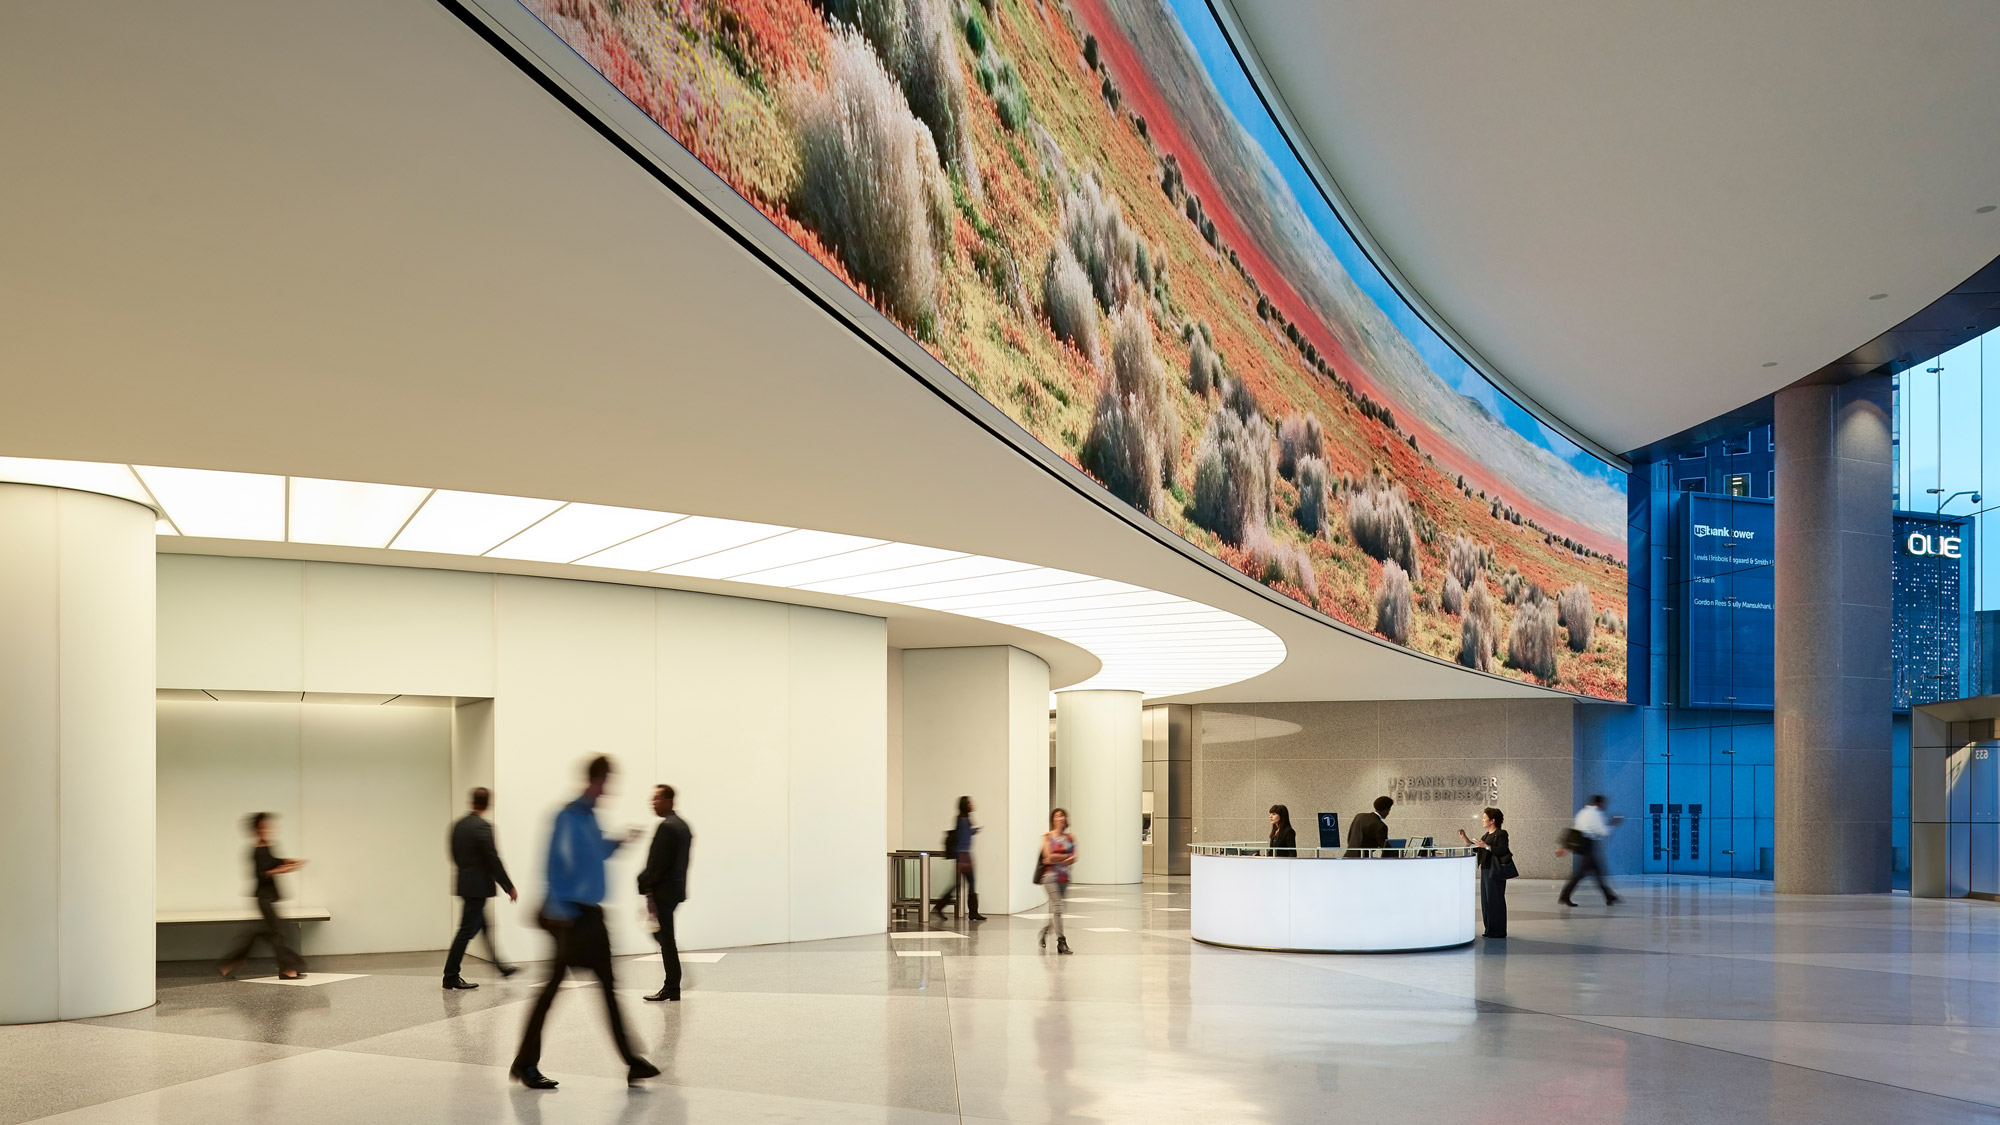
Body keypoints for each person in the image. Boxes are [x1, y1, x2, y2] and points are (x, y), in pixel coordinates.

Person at [510, 756, 659, 1091]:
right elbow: (554, 864)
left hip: (591, 915)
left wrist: (618, 841)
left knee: (596, 988)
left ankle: (630, 1061)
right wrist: (559, 910)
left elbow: (593, 855)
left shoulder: (590, 817)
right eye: (607, 781)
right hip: (573, 918)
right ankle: (527, 1063)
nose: (610, 788)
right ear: (597, 780)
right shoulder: (568, 816)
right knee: (572, 991)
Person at [443, 787, 518, 990]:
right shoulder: (483, 827)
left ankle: (501, 967)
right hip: (478, 887)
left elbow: (454, 854)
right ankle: (450, 975)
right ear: (487, 804)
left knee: (485, 927)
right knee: (466, 931)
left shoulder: (458, 826)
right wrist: (508, 886)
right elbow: (492, 859)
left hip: (466, 884)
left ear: (472, 801)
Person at [218, 812, 307, 981]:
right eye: (264, 827)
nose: (268, 829)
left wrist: (289, 861)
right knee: (277, 934)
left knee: (264, 933)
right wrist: (284, 869)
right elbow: (261, 873)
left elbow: (273, 860)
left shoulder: (266, 847)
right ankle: (287, 969)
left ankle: (229, 963)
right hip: (264, 899)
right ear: (257, 830)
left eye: (269, 826)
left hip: (269, 898)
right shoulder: (255, 851)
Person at [637, 783, 693, 1002]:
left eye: (657, 798)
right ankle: (673, 984)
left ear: (669, 801)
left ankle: (672, 986)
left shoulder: (666, 827)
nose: (653, 802)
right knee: (663, 936)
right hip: (675, 890)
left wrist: (644, 884)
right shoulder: (683, 826)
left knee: (665, 939)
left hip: (663, 892)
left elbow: (657, 865)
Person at [1558, 794, 1623, 907]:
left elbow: (1577, 829)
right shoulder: (1595, 814)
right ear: (1599, 803)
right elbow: (1603, 831)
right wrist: (1613, 823)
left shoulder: (1583, 812)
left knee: (1596, 872)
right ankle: (1565, 895)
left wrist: (1566, 846)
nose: (1605, 806)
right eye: (1603, 803)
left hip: (1583, 844)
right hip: (1589, 845)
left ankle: (1609, 896)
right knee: (1582, 874)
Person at [1458, 807, 1513, 939]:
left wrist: (1486, 847)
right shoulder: (1486, 835)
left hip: (1495, 871)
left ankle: (1498, 930)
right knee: (1486, 901)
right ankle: (1489, 929)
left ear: (1492, 820)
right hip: (1486, 870)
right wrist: (1465, 838)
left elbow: (1502, 850)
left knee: (1496, 900)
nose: (1482, 820)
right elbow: (1478, 848)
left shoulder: (1501, 833)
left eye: (1484, 818)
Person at [930, 796, 985, 921]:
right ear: (965, 805)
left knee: (959, 884)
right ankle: (972, 912)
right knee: (968, 884)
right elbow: (962, 840)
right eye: (970, 803)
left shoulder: (962, 819)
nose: (972, 804)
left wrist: (973, 831)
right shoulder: (964, 820)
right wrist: (962, 860)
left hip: (963, 855)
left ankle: (940, 906)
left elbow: (963, 835)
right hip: (964, 856)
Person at [1038, 808, 1077, 955]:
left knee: (1056, 910)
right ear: (1053, 819)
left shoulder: (1070, 838)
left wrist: (1056, 857)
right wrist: (1065, 857)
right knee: (1058, 908)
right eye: (1057, 816)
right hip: (1049, 877)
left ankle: (1045, 932)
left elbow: (1074, 857)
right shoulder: (1047, 837)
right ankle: (1061, 942)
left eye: (1062, 816)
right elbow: (1048, 857)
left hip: (1064, 877)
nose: (1060, 818)